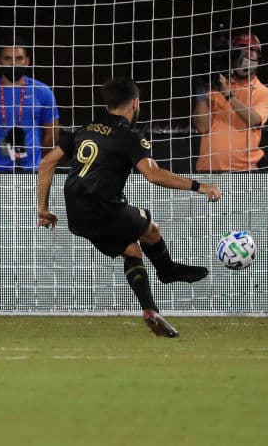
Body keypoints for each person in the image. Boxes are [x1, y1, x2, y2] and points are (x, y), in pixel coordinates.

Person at [37, 76, 221, 338]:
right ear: (135, 103)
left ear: (109, 104)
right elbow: (154, 175)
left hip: (75, 213)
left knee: (132, 250)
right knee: (150, 228)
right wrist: (199, 186)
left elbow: (47, 163)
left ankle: (150, 311)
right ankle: (167, 270)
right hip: (102, 207)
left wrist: (43, 209)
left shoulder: (84, 127)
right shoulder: (130, 135)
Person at [0, 39, 59, 172]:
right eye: (8, 58)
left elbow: (52, 135)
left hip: (31, 170)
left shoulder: (42, 92)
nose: (14, 63)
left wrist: (37, 159)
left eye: (19, 58)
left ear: (27, 61)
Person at [192, 32, 268, 172]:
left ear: (259, 56)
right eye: (241, 49)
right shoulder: (217, 87)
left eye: (251, 49)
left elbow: (254, 120)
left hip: (244, 172)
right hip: (208, 171)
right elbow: (202, 127)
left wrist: (226, 93)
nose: (246, 54)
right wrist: (201, 89)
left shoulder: (263, 93)